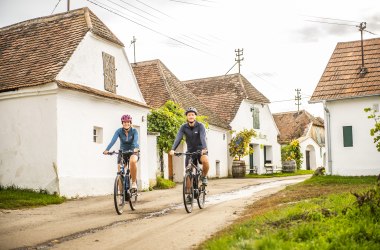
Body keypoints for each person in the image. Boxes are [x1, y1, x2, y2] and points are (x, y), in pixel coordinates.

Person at [169, 107, 209, 186]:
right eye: (189, 115)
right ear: (187, 117)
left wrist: (204, 148)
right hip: (190, 152)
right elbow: (178, 138)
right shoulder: (183, 127)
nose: (191, 116)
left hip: (201, 150)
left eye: (193, 115)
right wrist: (173, 149)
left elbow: (202, 137)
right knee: (188, 171)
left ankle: (204, 177)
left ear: (195, 116)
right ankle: (189, 193)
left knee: (206, 161)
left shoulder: (200, 126)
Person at [103, 114, 139, 189]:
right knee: (119, 170)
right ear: (122, 123)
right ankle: (121, 193)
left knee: (132, 161)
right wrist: (107, 149)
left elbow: (135, 141)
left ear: (130, 122)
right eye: (124, 122)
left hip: (133, 151)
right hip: (122, 152)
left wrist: (135, 148)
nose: (126, 123)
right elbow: (113, 140)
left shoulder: (134, 131)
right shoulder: (119, 131)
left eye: (128, 122)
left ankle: (134, 182)